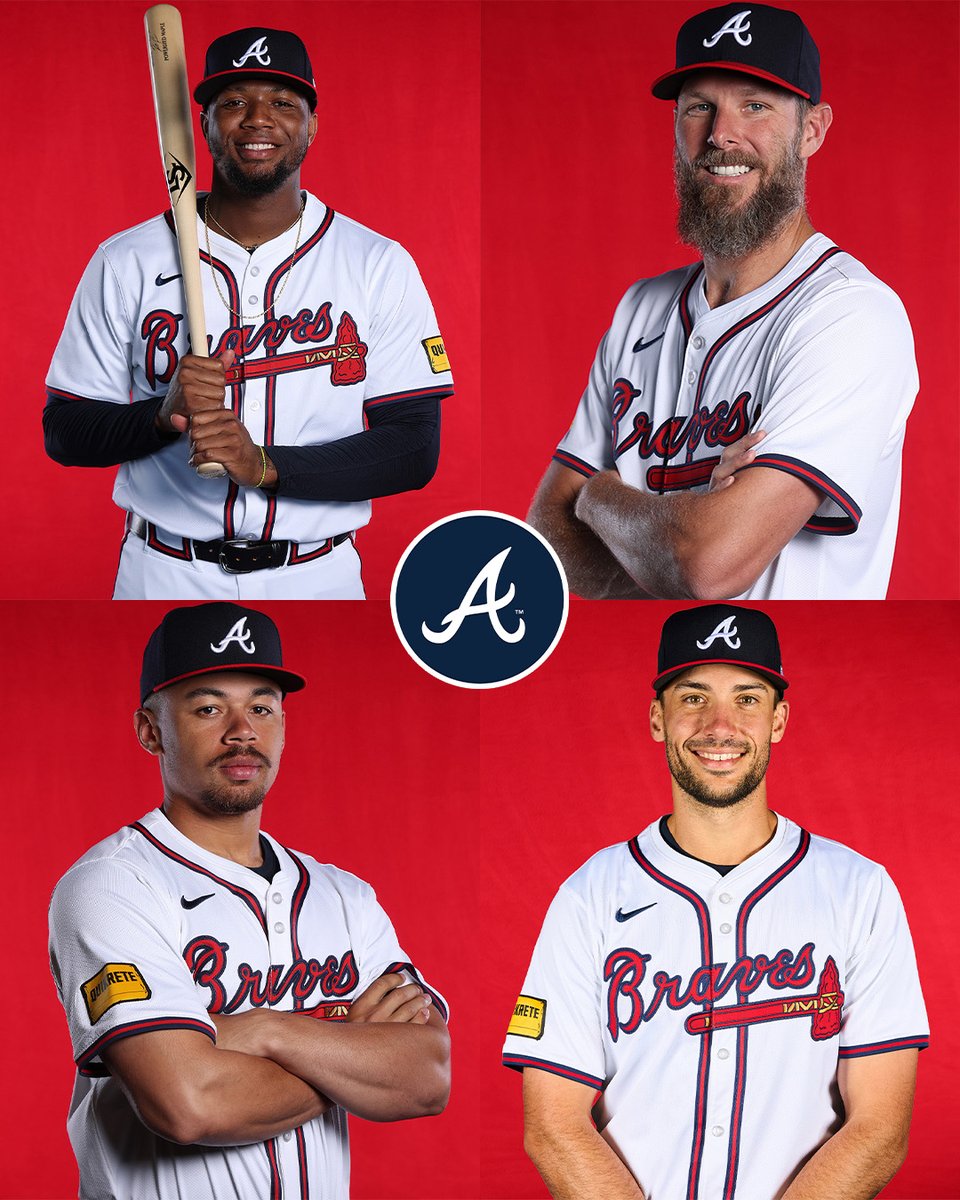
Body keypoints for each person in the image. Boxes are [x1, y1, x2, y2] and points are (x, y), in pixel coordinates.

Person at [503, 604, 927, 1199]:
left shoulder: (860, 888)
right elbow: (553, 1127)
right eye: (694, 697)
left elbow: (880, 1127)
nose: (720, 725)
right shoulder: (590, 893)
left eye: (748, 699)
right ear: (658, 718)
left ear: (778, 720)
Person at [48, 602, 450, 1199]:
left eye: (261, 706)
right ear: (149, 730)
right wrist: (348, 1053)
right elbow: (189, 1102)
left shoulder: (346, 897)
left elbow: (427, 1077)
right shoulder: (112, 886)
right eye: (209, 708)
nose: (242, 731)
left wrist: (263, 1029)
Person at [44, 27, 454, 600]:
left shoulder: (377, 263)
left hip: (319, 575)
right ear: (203, 126)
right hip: (163, 568)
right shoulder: (126, 261)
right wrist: (161, 419)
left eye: (284, 103)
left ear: (312, 124)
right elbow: (64, 433)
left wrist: (262, 464)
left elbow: (413, 448)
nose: (259, 119)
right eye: (234, 102)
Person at [528, 3, 918, 600]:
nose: (721, 134)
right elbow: (546, 539)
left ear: (811, 129)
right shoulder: (641, 307)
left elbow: (708, 565)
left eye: (755, 105)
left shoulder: (849, 315)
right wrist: (685, 521)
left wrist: (599, 496)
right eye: (699, 106)